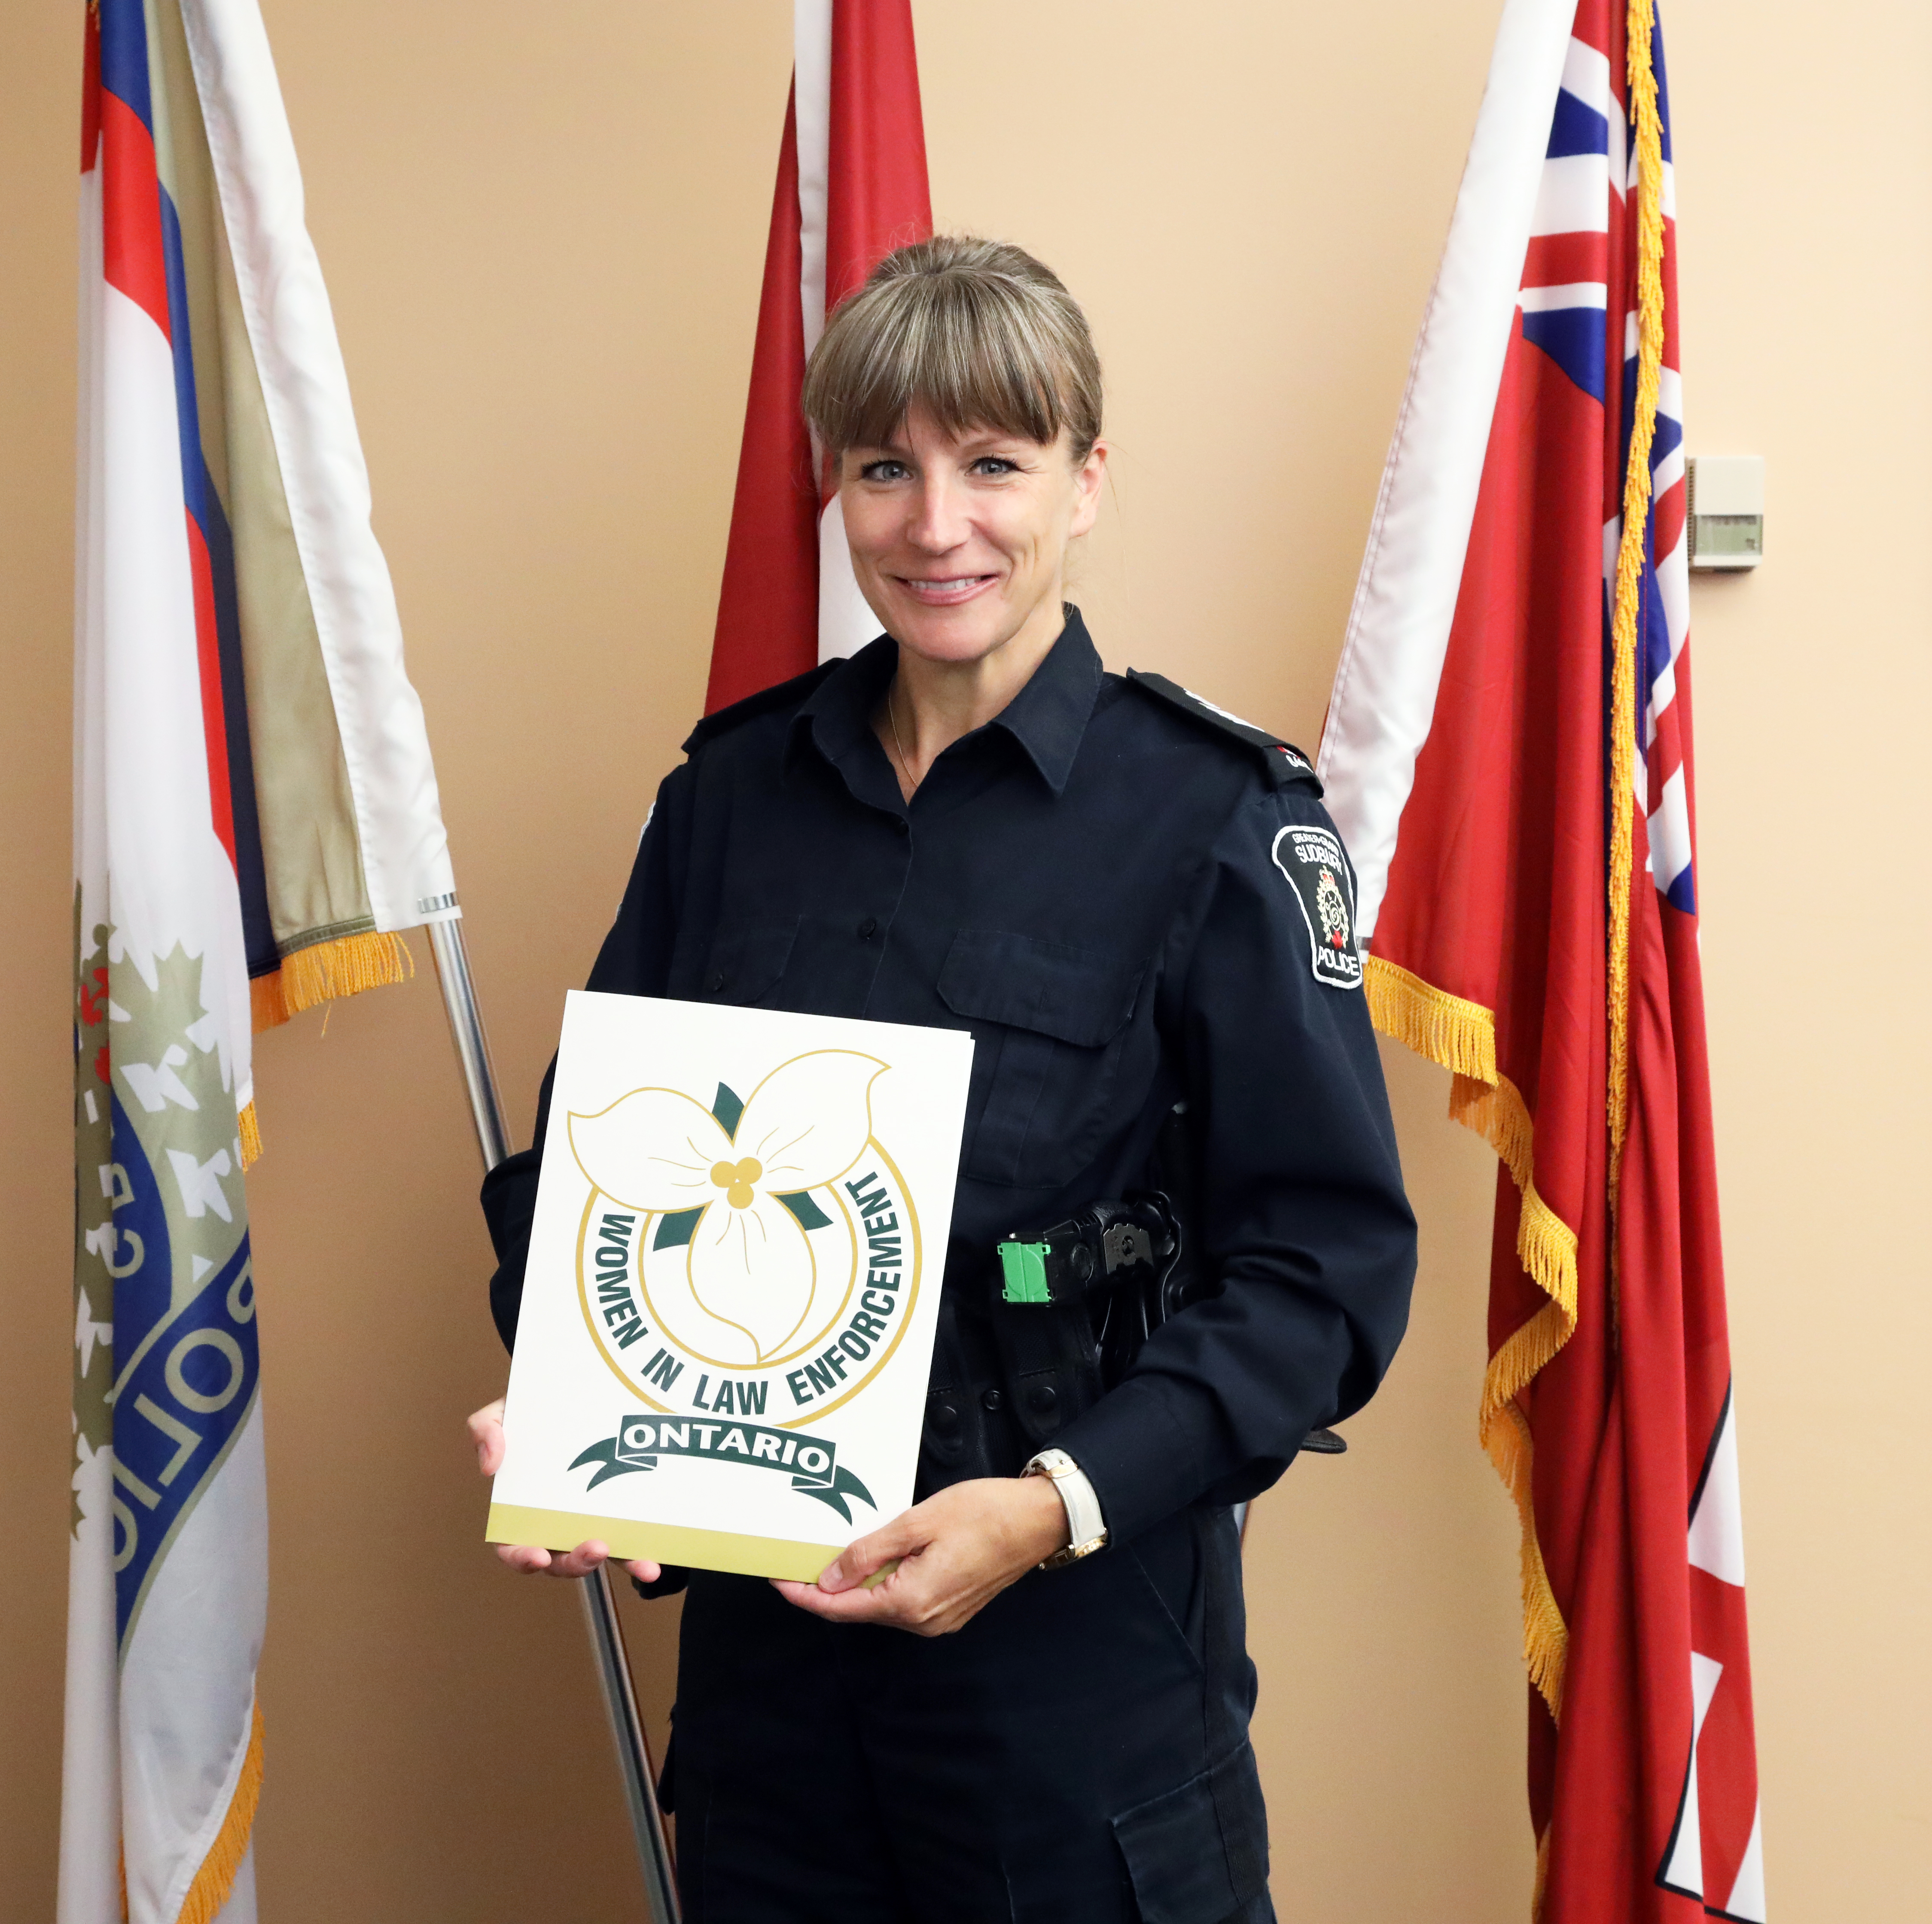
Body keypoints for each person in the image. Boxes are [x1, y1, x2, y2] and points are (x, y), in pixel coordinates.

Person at [466, 235, 1418, 1923]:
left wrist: (1055, 1507)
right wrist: (579, 1401)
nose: (935, 523)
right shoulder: (731, 803)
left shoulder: (1217, 820)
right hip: (773, 1716)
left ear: (1087, 478)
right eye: (885, 467)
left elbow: (1323, 1278)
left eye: (994, 463)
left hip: (1078, 1712)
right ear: (837, 486)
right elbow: (584, 1169)